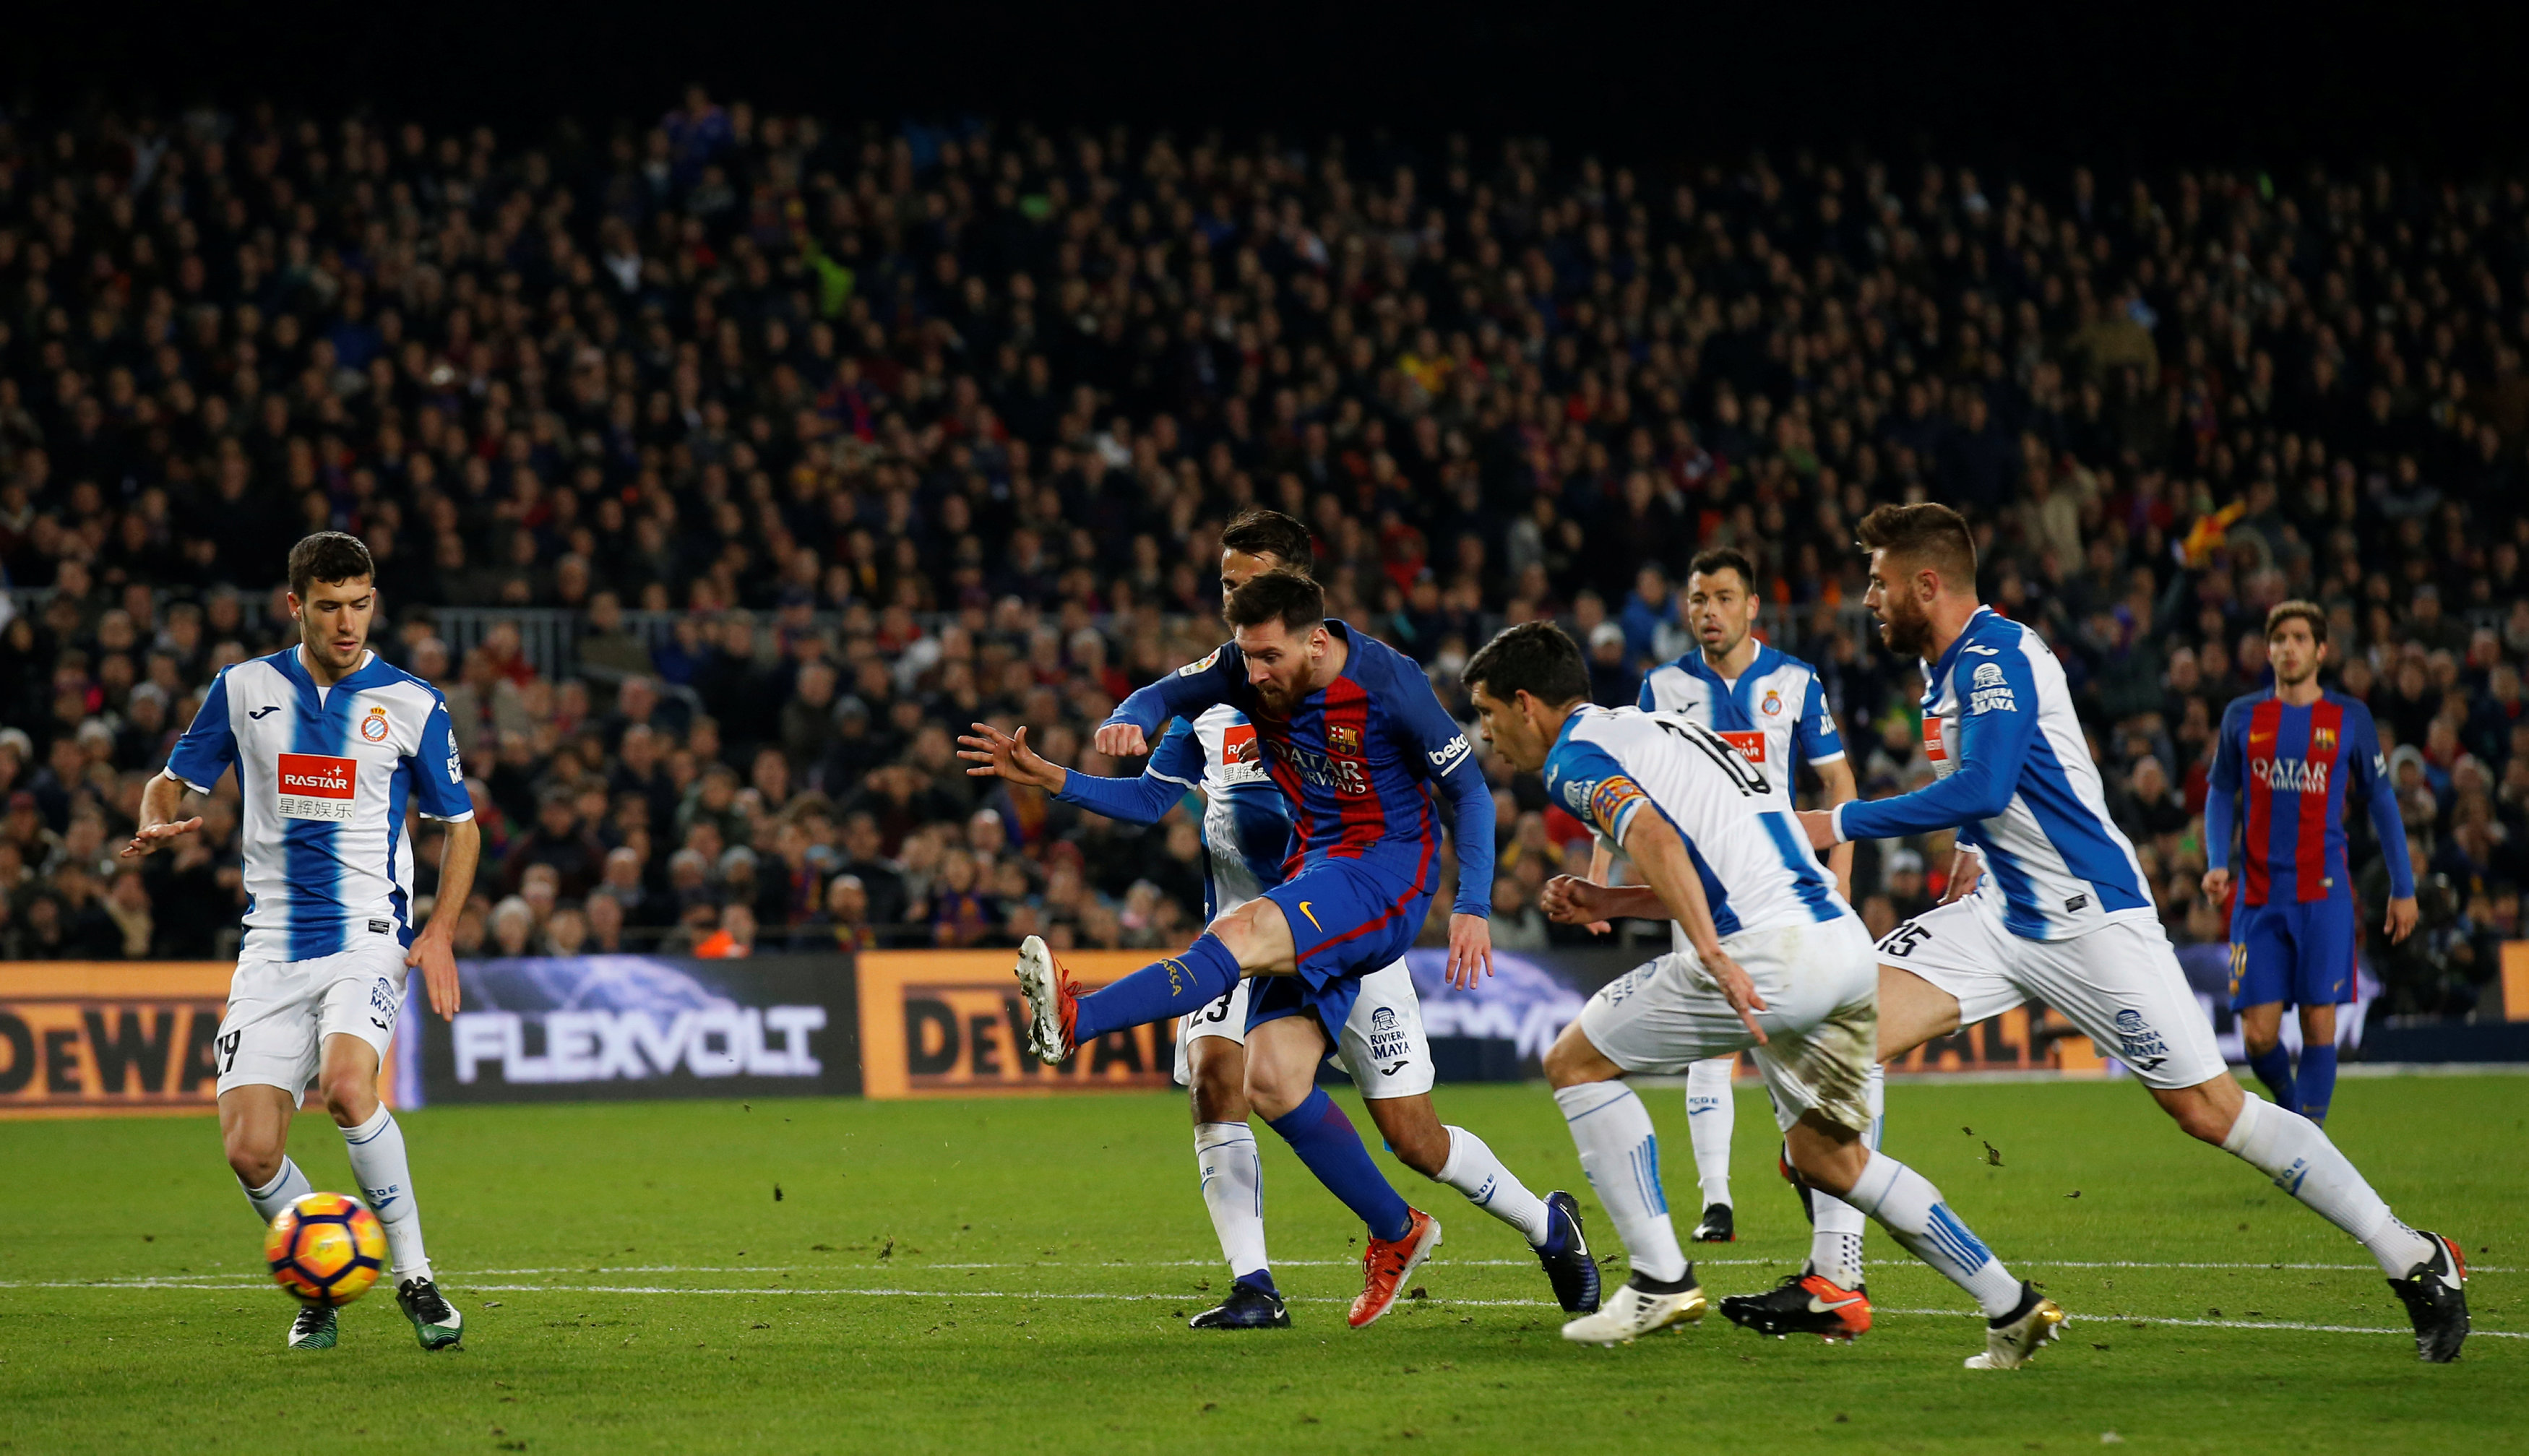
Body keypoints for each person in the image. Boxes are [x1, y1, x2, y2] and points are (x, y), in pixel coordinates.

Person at [1796, 504, 2468, 1364]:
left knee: (2209, 1109)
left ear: (1927, 584)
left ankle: (2413, 1255)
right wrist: (1971, 847)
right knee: (1838, 1035)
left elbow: (1988, 781)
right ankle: (1856, 1277)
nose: (1868, 597)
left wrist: (1838, 820)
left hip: (2090, 918)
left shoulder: (1995, 654)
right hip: (1999, 915)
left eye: (1880, 582)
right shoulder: (1943, 668)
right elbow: (2017, 776)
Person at [960, 508, 1593, 1332]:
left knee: (1363, 1077)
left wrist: (1469, 905)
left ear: (1304, 606)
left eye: (1244, 584)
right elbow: (1160, 719)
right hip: (1288, 905)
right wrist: (1087, 753)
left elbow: (1467, 787)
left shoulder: (1382, 677)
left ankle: (1079, 1018)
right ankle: (1499, 1230)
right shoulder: (1234, 678)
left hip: (1366, 889)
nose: (1233, 612)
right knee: (1281, 1086)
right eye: (1225, 589)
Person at [1464, 621, 2060, 1366]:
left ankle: (1657, 1276)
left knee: (1574, 1062)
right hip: (1839, 947)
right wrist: (1610, 903)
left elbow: (1654, 837)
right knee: (1829, 1156)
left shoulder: (1575, 756)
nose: (1487, 735)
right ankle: (2011, 1302)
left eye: (1488, 713)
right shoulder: (1667, 734)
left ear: (1527, 704)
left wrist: (1710, 953)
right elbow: (1725, 855)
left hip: (1766, 955)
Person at [124, 531, 478, 1353]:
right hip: (271, 948)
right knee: (250, 1150)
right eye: (329, 606)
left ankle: (417, 1277)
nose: (347, 621)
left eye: (360, 603)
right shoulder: (244, 687)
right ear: (296, 606)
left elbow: (460, 829)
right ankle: (317, 1268)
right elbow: (171, 780)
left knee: (349, 1088)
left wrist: (442, 930)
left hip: (367, 934)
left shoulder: (414, 703)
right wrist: (153, 813)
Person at [1591, 545, 1858, 1246]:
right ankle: (1715, 1200)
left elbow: (1838, 784)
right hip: (1702, 886)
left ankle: (1806, 1163)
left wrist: (1845, 879)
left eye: (1721, 598)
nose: (1707, 612)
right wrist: (1601, 875)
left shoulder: (1794, 681)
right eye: (1697, 600)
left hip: (1781, 889)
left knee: (1788, 1038)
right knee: (1712, 1044)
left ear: (1751, 607)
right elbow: (1624, 790)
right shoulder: (1662, 686)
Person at [2202, 601, 2418, 1126]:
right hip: (2257, 899)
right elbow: (2221, 789)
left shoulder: (2349, 718)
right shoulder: (2242, 716)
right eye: (2279, 639)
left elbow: (2382, 801)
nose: (2288, 648)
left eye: (2299, 638)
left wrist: (2403, 885)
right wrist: (2216, 860)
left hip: (2324, 896)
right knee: (2257, 1037)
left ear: (2320, 649)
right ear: (2268, 648)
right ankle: (2296, 1116)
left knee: (2320, 1027)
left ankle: (2307, 1143)